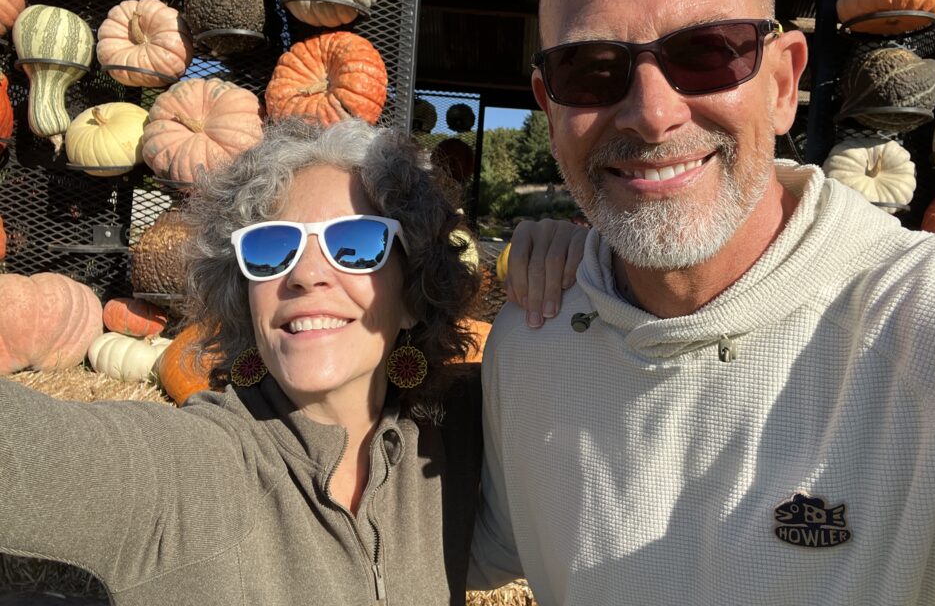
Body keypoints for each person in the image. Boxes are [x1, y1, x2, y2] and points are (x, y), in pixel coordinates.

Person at [469, 0, 935, 605]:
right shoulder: (528, 341)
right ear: (551, 112)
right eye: (592, 68)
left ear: (785, 81)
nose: (652, 114)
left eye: (706, 52)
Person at [0, 116, 572, 606]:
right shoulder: (191, 470)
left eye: (355, 243)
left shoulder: (457, 432)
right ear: (247, 299)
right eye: (272, 247)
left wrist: (582, 267)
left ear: (413, 292)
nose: (304, 274)